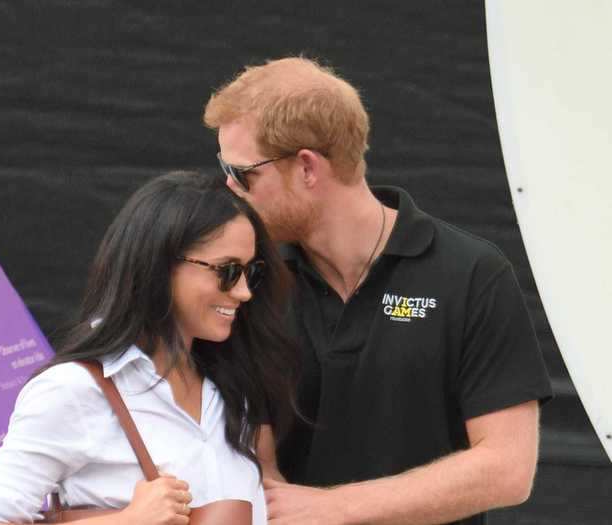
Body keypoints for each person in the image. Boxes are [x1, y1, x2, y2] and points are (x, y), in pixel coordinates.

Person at [203, 57, 552, 525]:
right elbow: (241, 440)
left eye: (243, 174)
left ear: (307, 168)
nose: (229, 188)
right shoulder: (250, 281)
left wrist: (338, 508)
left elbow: (508, 468)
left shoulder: (471, 274)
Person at [0, 171, 297, 525]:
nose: (244, 291)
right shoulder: (74, 391)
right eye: (227, 271)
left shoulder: (233, 388)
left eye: (250, 272)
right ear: (161, 266)